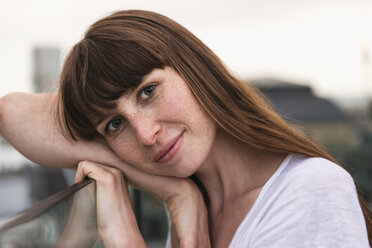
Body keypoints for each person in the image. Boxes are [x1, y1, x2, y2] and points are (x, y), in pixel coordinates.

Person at [0, 9, 371, 247]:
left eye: (148, 92)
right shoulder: (198, 198)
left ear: (193, 68)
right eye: (115, 124)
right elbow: (11, 113)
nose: (146, 136)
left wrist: (128, 242)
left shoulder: (312, 193)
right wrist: (174, 191)